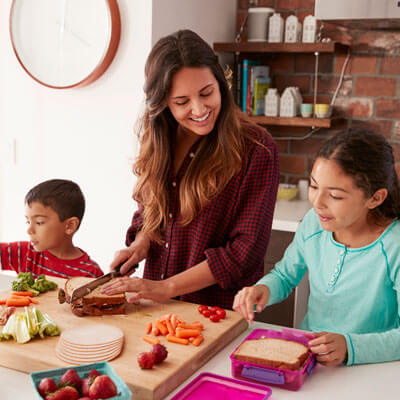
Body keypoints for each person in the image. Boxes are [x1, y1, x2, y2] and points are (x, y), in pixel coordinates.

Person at [101, 29, 279, 309]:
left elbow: (244, 252)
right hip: (155, 309)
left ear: (220, 82)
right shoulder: (160, 138)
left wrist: (166, 287)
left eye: (207, 92)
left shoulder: (256, 148)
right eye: (182, 102)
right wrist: (140, 244)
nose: (199, 109)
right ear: (163, 104)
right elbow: (151, 209)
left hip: (217, 313)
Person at [233, 128, 400, 366]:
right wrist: (264, 289)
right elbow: (284, 275)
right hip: (310, 360)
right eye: (313, 186)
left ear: (375, 198)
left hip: (371, 368)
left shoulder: (394, 247)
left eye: (335, 195)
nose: (317, 202)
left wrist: (350, 348)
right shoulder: (314, 223)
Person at [0, 179, 103, 278]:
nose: (29, 230)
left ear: (70, 226)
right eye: (28, 222)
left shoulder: (90, 274)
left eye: (39, 222)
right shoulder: (24, 253)